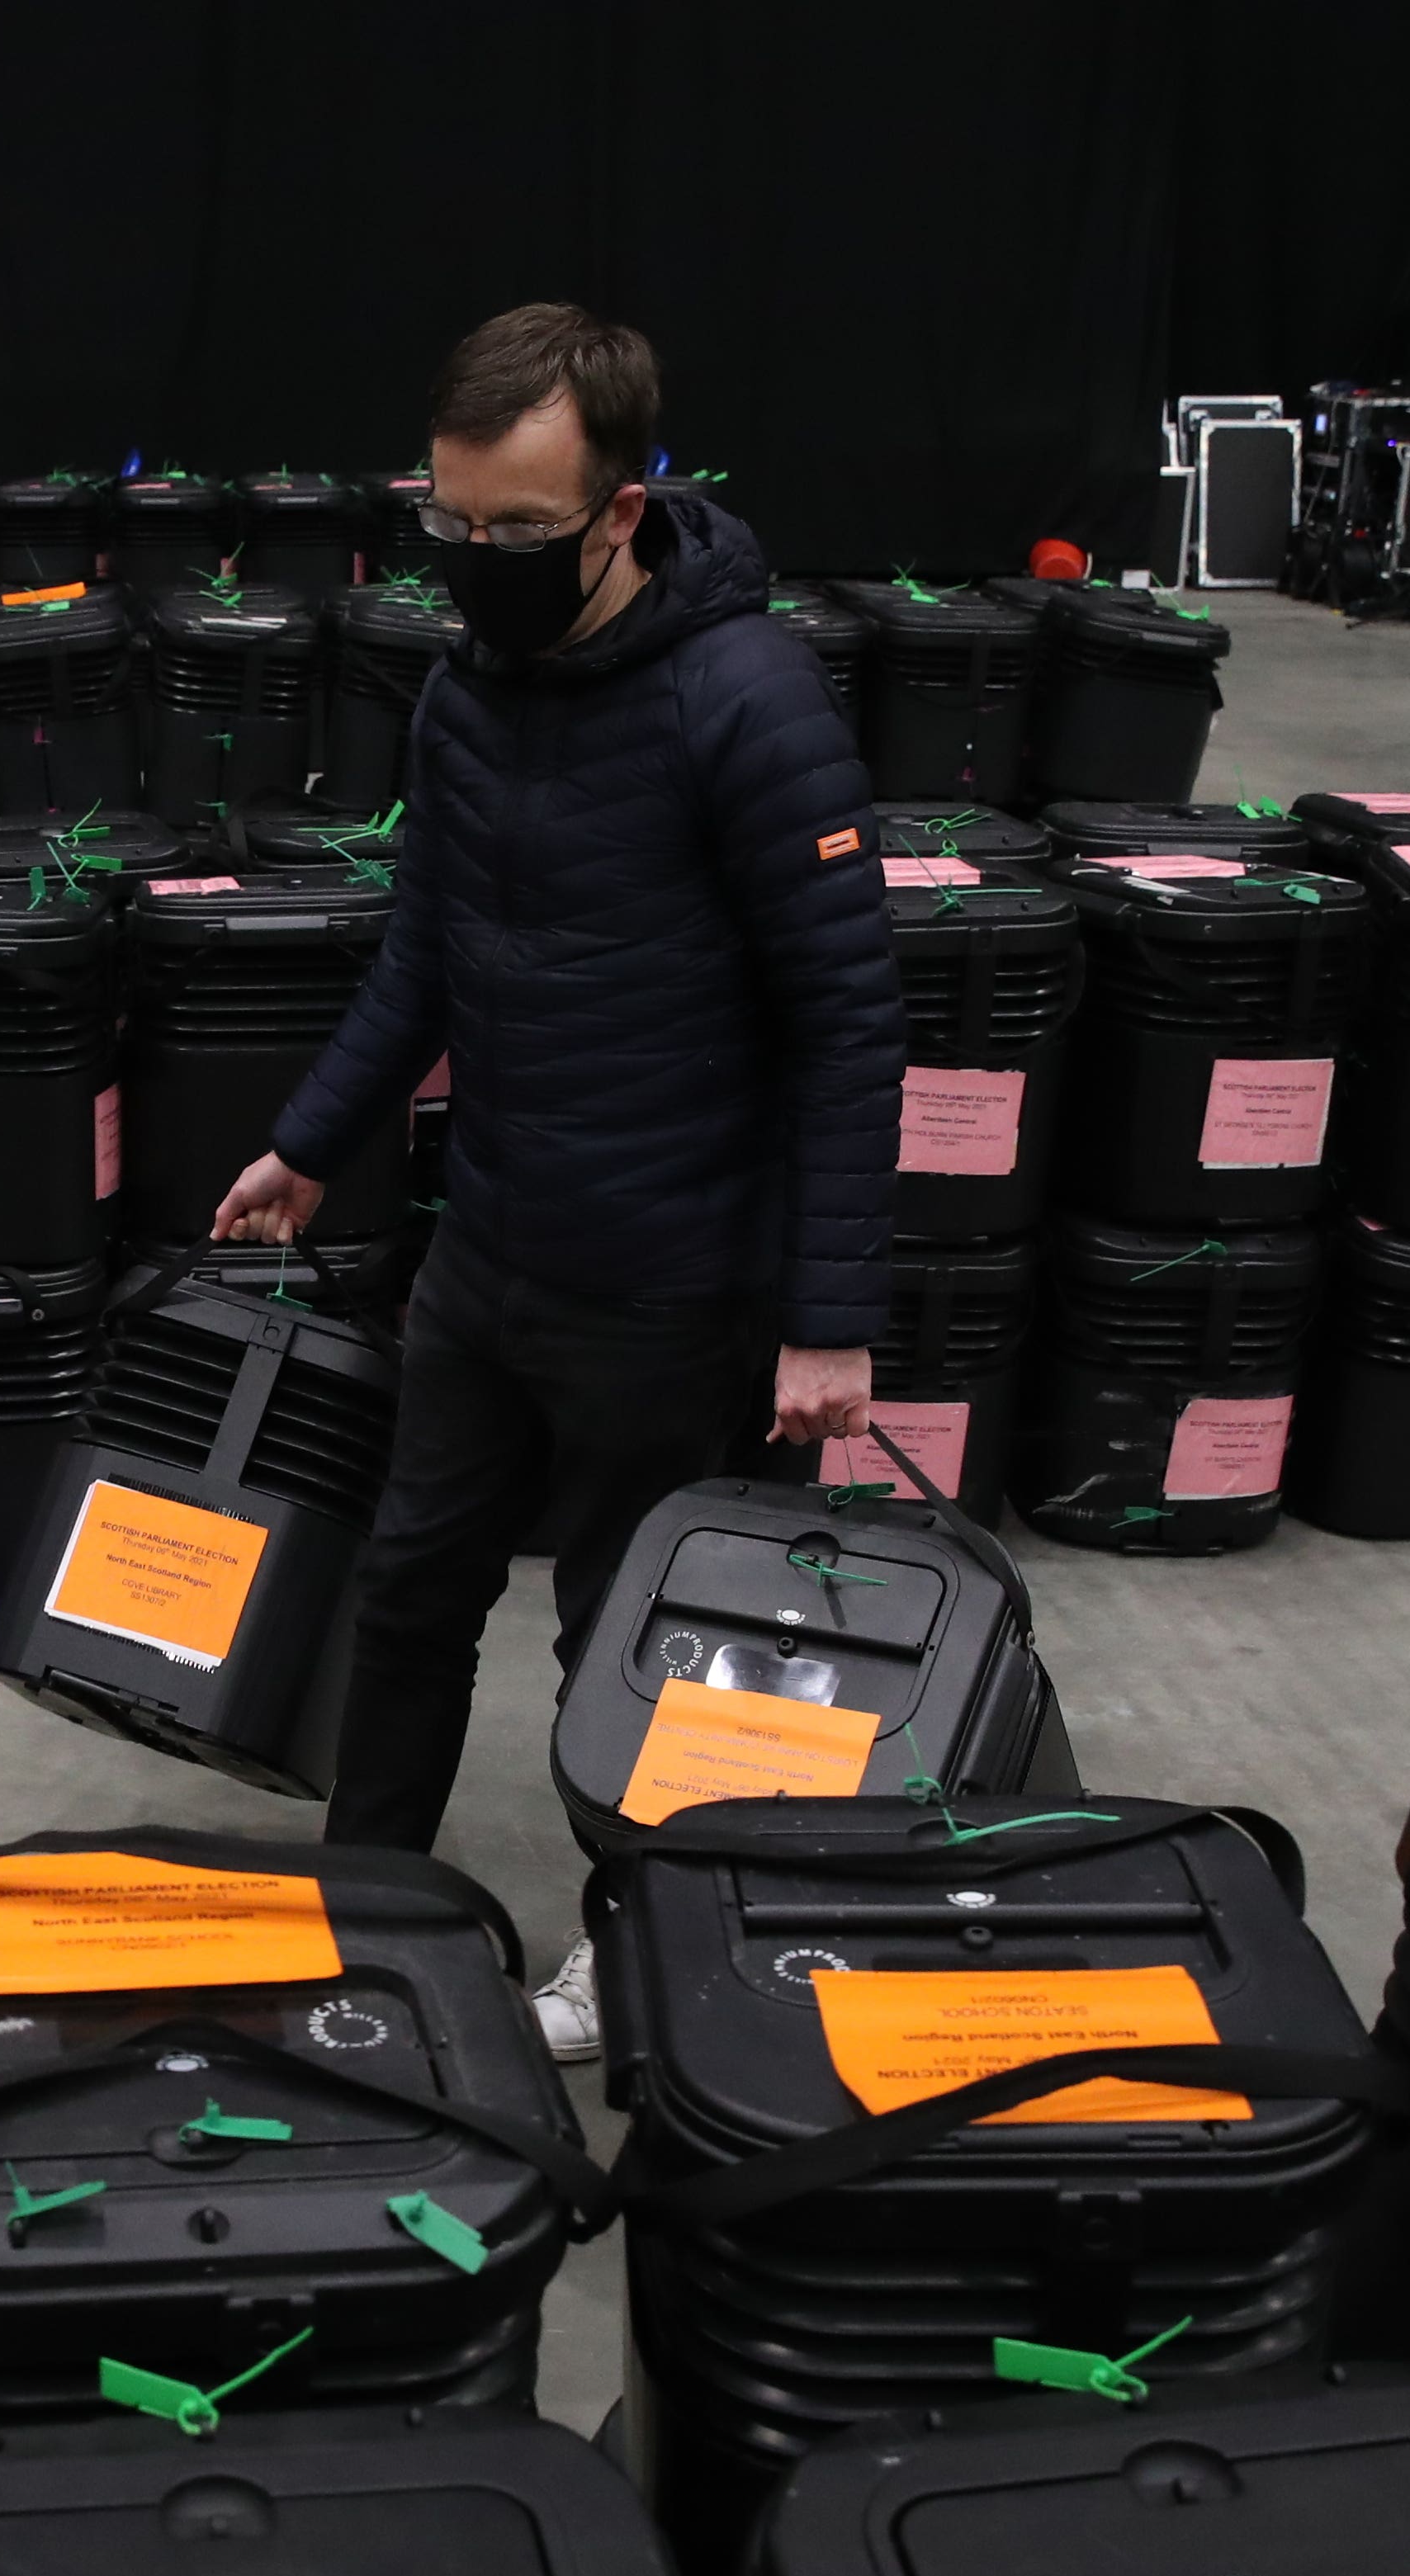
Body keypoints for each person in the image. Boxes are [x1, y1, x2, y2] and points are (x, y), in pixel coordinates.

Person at [212, 301, 904, 2056]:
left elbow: (847, 1022)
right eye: (451, 524)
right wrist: (311, 1141)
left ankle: (642, 1949)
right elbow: (421, 962)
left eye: (518, 531)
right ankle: (363, 1906)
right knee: (412, 1591)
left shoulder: (749, 704)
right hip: (493, 1251)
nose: (478, 562)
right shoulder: (467, 690)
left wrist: (828, 1322)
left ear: (620, 509)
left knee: (643, 1646)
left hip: (675, 1287)